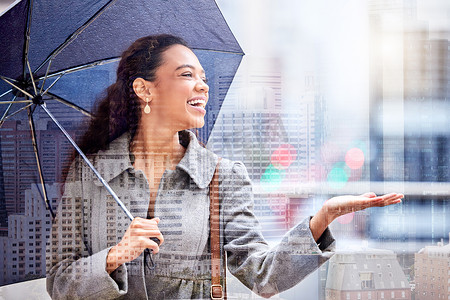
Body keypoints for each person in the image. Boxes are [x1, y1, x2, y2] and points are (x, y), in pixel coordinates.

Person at [46, 34, 403, 299]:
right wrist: (115, 256)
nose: (202, 85)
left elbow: (264, 275)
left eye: (203, 76)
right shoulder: (89, 173)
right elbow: (60, 281)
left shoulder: (222, 177)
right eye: (186, 75)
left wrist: (320, 221)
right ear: (144, 89)